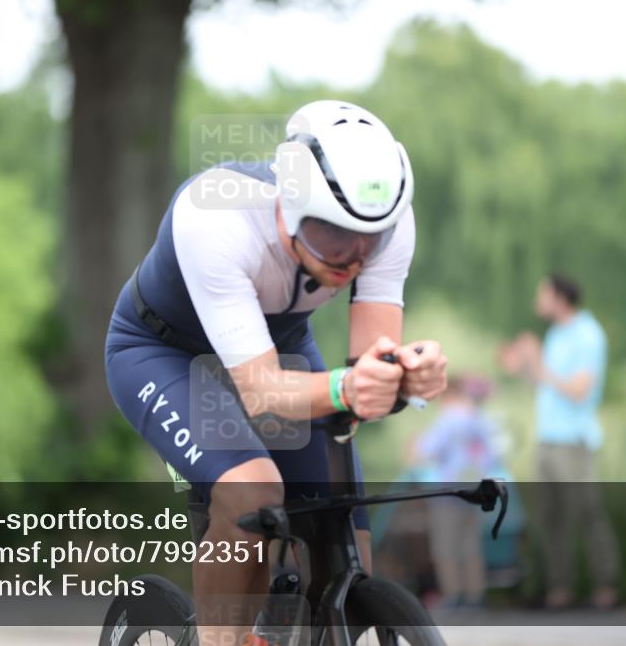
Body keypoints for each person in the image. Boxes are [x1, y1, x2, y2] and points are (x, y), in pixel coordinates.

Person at [104, 100, 448, 644]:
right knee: (252, 492)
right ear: (291, 204)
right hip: (164, 353)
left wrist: (405, 379)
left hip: (281, 348)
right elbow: (263, 391)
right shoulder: (214, 218)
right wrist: (346, 387)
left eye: (369, 242)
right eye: (333, 238)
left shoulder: (383, 222)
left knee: (346, 535)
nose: (353, 259)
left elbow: (365, 371)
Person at [500, 274, 620, 610]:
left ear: (560, 297)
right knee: (550, 518)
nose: (538, 298)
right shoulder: (555, 334)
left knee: (587, 512)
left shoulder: (588, 334)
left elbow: (579, 391)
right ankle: (559, 588)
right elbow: (544, 383)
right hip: (547, 439)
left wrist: (538, 362)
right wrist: (523, 363)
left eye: (543, 292)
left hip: (574, 441)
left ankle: (606, 586)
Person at [412, 375, 498, 609]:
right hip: (474, 492)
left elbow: (427, 450)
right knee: (470, 546)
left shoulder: (447, 420)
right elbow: (493, 455)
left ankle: (452, 594)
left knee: (445, 547)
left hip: (448, 493)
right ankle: (475, 594)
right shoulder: (479, 419)